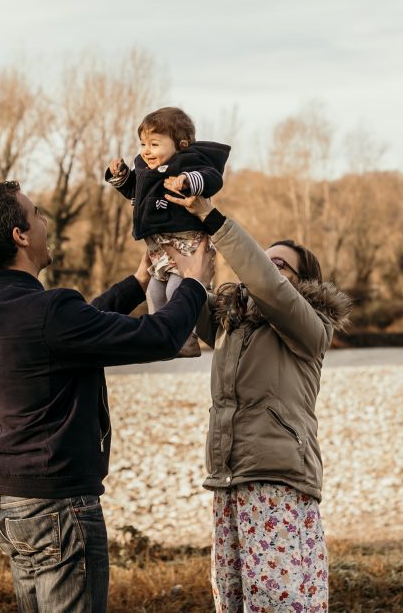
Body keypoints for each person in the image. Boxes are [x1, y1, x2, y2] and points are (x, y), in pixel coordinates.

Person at [0, 180, 215, 613]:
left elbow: (76, 329)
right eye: (36, 214)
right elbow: (159, 337)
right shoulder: (48, 311)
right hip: (58, 506)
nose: (44, 221)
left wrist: (138, 283)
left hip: (9, 504)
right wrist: (193, 284)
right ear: (20, 236)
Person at [164, 187, 352, 613]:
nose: (266, 266)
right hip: (229, 477)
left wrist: (212, 216)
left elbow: (269, 287)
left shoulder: (310, 325)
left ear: (302, 283)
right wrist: (154, 210)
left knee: (278, 600)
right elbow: (182, 291)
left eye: (280, 263)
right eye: (264, 257)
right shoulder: (232, 323)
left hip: (277, 477)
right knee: (231, 598)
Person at [105, 106, 230, 358]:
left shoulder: (189, 161)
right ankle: (160, 340)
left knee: (176, 290)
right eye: (143, 144)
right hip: (159, 248)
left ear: (181, 144)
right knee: (153, 291)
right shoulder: (145, 169)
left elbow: (212, 178)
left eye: (154, 144)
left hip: (187, 244)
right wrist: (121, 176)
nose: (146, 151)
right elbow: (134, 192)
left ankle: (187, 340)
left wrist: (187, 181)